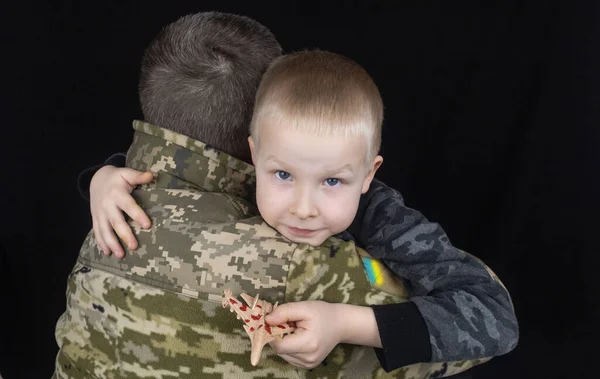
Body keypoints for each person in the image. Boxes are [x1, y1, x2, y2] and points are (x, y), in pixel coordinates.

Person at [55, 12, 517, 379]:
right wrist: (104, 175)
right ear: (253, 153)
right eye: (281, 174)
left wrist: (346, 323)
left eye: (332, 181)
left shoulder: (382, 216)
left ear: (367, 176)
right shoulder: (163, 191)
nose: (303, 206)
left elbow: (494, 317)